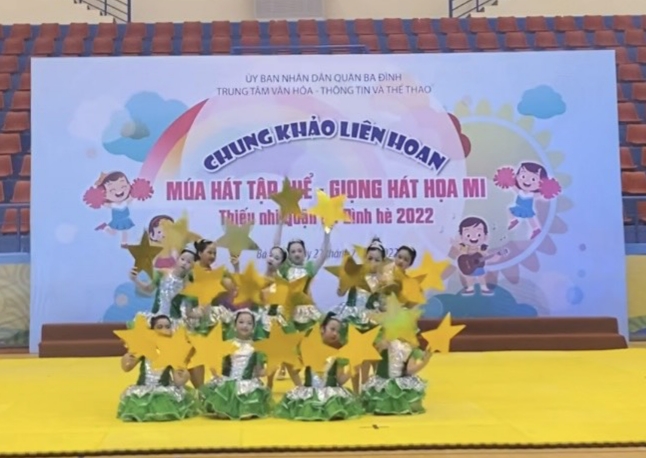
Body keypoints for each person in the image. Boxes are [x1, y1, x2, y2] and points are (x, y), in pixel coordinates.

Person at [274, 313, 363, 421]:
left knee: (334, 405)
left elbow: (340, 381)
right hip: (311, 392)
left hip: (330, 393)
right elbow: (295, 370)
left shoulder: (338, 354)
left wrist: (352, 370)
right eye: (332, 329)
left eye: (338, 331)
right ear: (322, 329)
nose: (335, 333)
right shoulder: (309, 349)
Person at [117, 314, 197, 422]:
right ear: (152, 330)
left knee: (164, 405)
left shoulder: (173, 351)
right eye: (159, 327)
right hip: (143, 389)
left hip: (163, 390)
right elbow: (127, 368)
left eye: (167, 327)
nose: (164, 330)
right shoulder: (144, 348)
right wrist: (126, 358)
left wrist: (185, 376)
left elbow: (178, 381)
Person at [199, 310, 272, 420]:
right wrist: (215, 372)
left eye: (249, 323)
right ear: (234, 325)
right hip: (227, 384)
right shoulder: (227, 344)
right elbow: (218, 364)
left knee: (247, 414)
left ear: (253, 327)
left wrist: (270, 369)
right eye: (241, 322)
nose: (245, 326)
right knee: (222, 413)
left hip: (247, 384)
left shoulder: (256, 347)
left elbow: (258, 372)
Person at [274, 220, 331, 331]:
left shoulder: (309, 268)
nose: (297, 254)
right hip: (288, 310)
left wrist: (327, 233)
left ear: (305, 253)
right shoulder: (285, 268)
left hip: (307, 310)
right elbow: (276, 247)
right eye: (293, 251)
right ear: (288, 255)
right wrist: (280, 224)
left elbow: (324, 254)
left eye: (299, 251)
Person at [361, 337, 431, 415]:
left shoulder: (409, 347)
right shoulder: (408, 347)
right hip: (388, 383)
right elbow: (410, 370)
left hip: (390, 384)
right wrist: (425, 361)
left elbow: (410, 370)